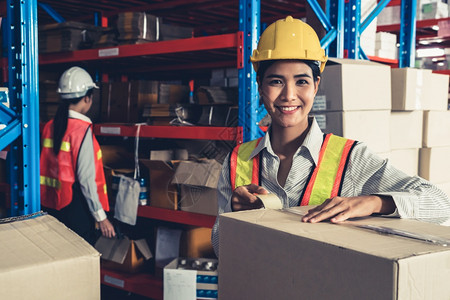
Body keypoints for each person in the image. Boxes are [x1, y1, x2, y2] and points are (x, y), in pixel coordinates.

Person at [211, 16, 450, 256]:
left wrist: (373, 202)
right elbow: (221, 249)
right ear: (261, 86)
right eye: (276, 82)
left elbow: (439, 203)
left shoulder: (351, 158)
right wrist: (234, 214)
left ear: (316, 86)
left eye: (301, 82)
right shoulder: (237, 160)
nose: (289, 95)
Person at [40, 66, 115, 245]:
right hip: (76, 208)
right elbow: (86, 179)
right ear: (87, 98)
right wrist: (101, 217)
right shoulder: (81, 130)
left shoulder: (50, 125)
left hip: (51, 205)